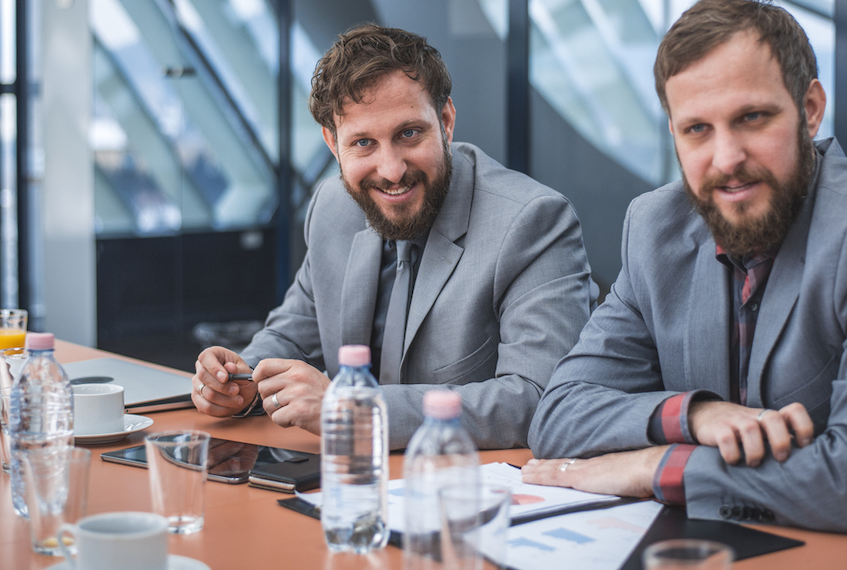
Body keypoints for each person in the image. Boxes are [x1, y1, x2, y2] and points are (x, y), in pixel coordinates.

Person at [523, 0, 847, 542]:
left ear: (809, 110)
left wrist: (655, 467)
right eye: (697, 130)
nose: (726, 156)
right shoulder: (655, 228)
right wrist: (696, 418)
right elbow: (560, 415)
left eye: (751, 117)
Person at [192, 24, 594, 449]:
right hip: (354, 484)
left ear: (446, 121)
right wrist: (239, 379)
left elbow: (538, 397)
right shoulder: (332, 206)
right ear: (333, 143)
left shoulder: (532, 221)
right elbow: (294, 334)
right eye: (363, 142)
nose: (391, 170)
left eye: (408, 134)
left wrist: (354, 411)